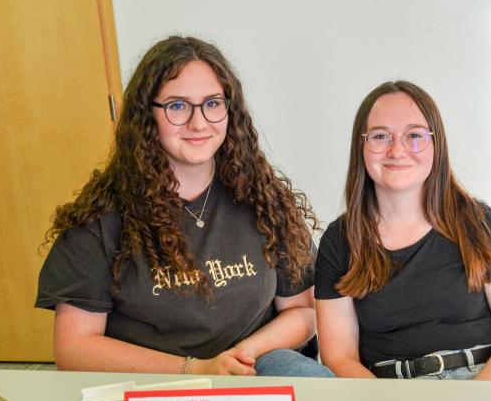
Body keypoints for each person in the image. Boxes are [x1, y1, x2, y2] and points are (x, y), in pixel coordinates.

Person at [36, 36, 332, 378]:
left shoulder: (265, 198)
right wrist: (199, 369)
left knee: (314, 384)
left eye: (212, 103)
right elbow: (74, 348)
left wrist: (240, 356)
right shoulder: (100, 218)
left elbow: (302, 312)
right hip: (152, 379)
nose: (198, 123)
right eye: (177, 106)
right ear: (146, 115)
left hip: (253, 365)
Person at [315, 81, 491, 380]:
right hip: (386, 391)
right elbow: (339, 356)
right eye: (381, 136)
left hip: (482, 380)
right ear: (362, 146)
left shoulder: (480, 224)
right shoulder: (340, 241)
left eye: (414, 135)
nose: (397, 150)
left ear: (437, 145)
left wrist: (475, 400)